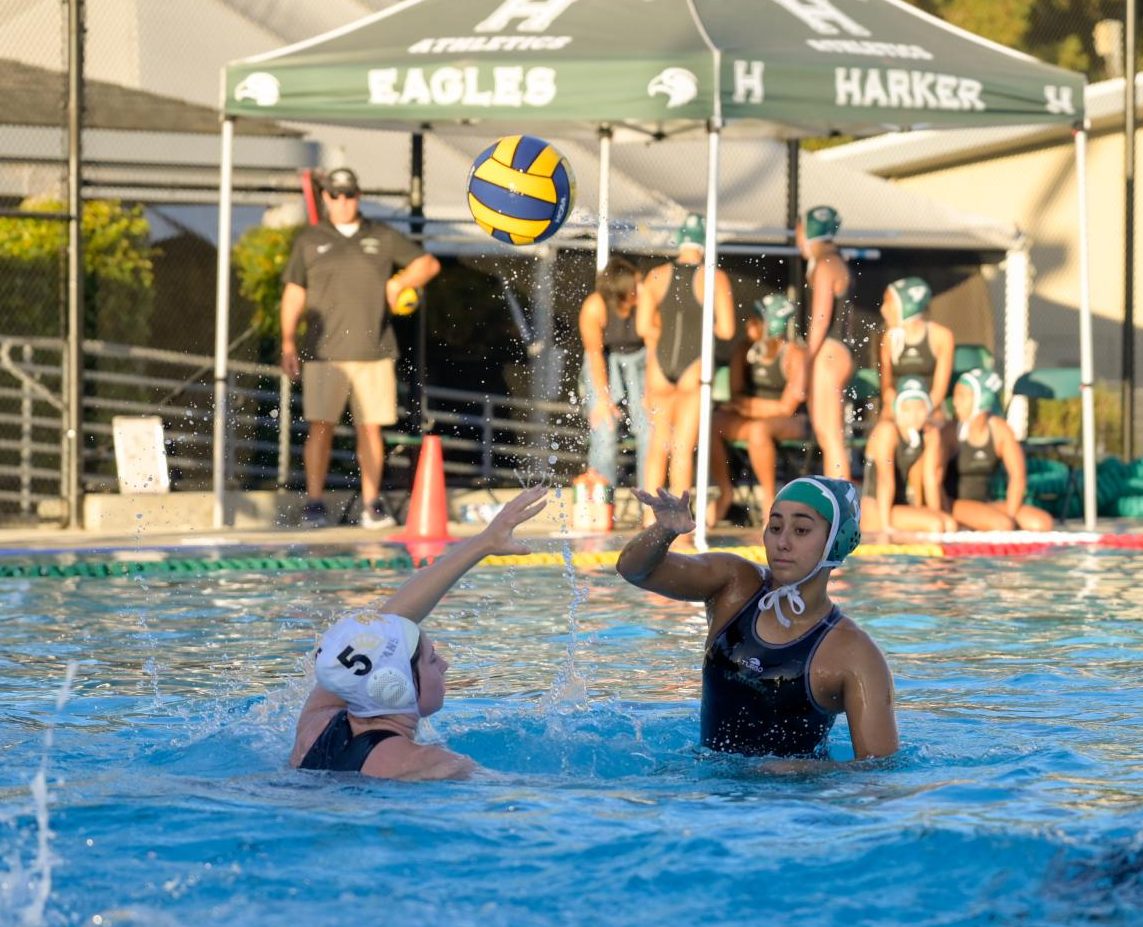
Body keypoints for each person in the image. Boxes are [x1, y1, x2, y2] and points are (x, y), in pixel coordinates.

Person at [617, 477, 898, 761]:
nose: (782, 542)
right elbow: (634, 571)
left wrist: (803, 774)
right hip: (706, 791)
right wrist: (663, 531)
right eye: (775, 527)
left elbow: (879, 774)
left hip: (796, 801)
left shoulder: (855, 654)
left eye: (801, 530)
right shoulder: (734, 585)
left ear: (835, 543)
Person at [289, 485, 549, 780]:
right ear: (395, 685)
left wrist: (484, 543)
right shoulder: (434, 763)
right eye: (431, 660)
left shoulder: (315, 728)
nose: (444, 665)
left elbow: (385, 627)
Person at [280, 166, 441, 529]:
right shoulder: (309, 240)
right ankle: (315, 504)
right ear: (325, 198)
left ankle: (371, 505)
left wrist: (399, 284)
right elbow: (294, 293)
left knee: (371, 429)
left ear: (358, 196)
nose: (342, 202)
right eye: (335, 195)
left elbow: (427, 264)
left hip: (373, 350)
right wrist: (288, 341)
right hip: (324, 353)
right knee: (320, 427)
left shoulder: (380, 236)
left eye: (349, 195)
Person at [637, 213, 736, 513]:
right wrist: (705, 330)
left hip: (659, 369)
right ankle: (680, 527)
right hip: (694, 368)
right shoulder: (714, 277)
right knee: (681, 450)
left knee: (658, 447)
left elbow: (644, 328)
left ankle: (648, 521)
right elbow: (728, 330)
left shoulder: (655, 276)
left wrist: (664, 337)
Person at [708, 294, 808, 527]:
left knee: (757, 431)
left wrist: (746, 407)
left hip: (792, 421)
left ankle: (770, 500)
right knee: (711, 423)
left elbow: (787, 407)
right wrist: (745, 406)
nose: (748, 325)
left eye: (755, 320)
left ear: (770, 325)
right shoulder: (743, 351)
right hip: (755, 418)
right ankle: (725, 491)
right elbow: (735, 396)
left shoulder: (794, 355)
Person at [943, 369, 1053, 531]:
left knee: (1041, 523)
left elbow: (1018, 477)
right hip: (955, 504)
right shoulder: (951, 433)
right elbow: (932, 477)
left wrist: (1011, 513)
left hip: (986, 504)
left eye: (962, 396)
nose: (955, 402)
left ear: (981, 400)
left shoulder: (999, 431)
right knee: (1002, 524)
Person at [577, 256, 649, 489]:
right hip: (605, 364)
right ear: (622, 289)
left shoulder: (645, 304)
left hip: (640, 363)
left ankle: (649, 501)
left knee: (649, 430)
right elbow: (595, 354)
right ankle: (602, 499)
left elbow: (655, 348)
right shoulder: (595, 306)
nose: (641, 289)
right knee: (604, 431)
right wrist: (603, 398)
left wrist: (651, 394)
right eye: (635, 286)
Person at [797, 205, 853, 481]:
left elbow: (819, 319)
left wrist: (806, 360)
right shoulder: (835, 260)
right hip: (836, 351)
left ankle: (842, 505)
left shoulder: (825, 265)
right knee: (827, 434)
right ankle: (839, 499)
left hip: (829, 354)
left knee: (831, 436)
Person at [861, 377, 957, 535]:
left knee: (948, 524)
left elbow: (930, 480)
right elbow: (884, 480)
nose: (913, 415)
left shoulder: (929, 435)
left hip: (900, 507)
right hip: (875, 508)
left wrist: (937, 513)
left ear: (928, 410)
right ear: (897, 409)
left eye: (920, 408)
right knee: (935, 525)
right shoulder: (887, 431)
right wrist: (886, 529)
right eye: (907, 409)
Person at [878, 276, 955, 417]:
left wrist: (919, 415)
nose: (883, 309)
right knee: (885, 431)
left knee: (934, 431)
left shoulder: (941, 336)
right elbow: (887, 388)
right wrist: (903, 413)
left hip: (930, 408)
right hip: (899, 409)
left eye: (888, 303)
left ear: (906, 305)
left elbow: (939, 392)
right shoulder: (889, 338)